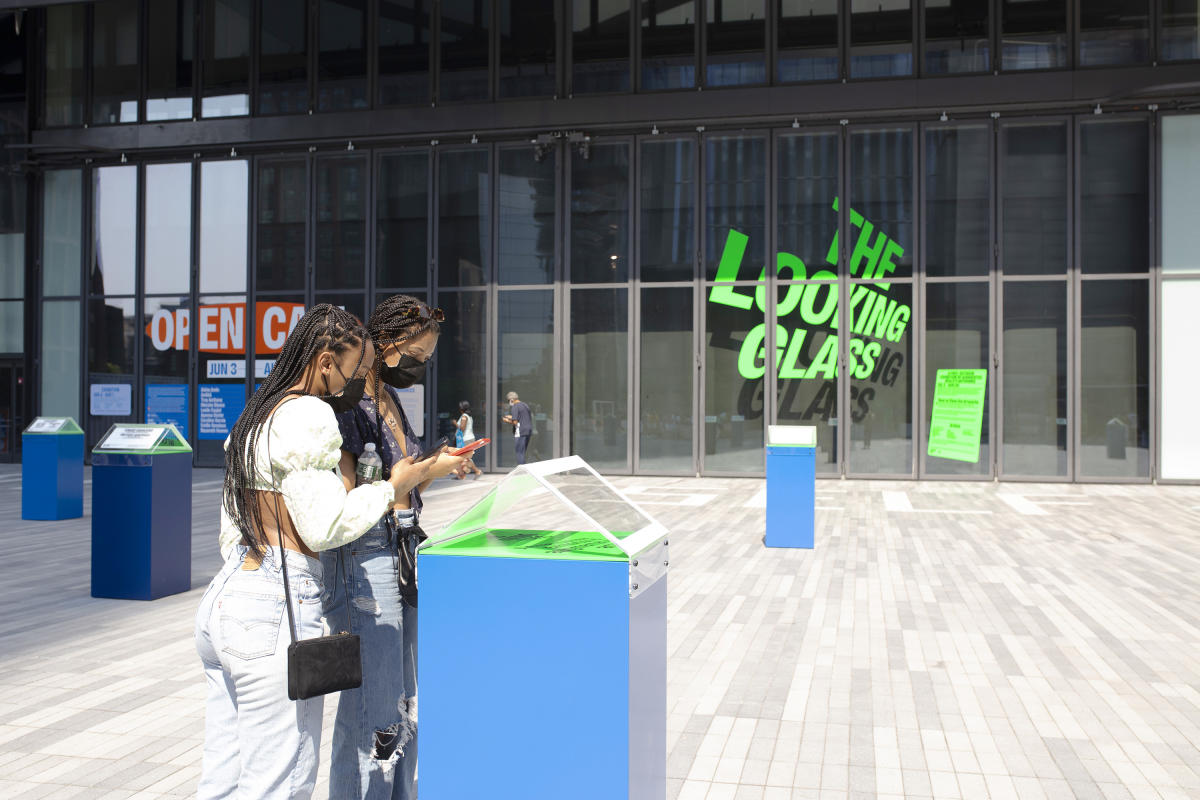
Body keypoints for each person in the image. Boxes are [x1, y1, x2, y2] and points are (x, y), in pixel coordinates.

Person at [194, 305, 433, 800]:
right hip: (274, 607)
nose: (355, 381)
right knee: (280, 783)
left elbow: (229, 521)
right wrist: (392, 487)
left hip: (227, 596)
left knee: (224, 778)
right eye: (353, 369)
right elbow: (325, 526)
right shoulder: (308, 413)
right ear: (326, 362)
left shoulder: (259, 411)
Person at [322, 295, 467, 800]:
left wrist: (435, 466)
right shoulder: (350, 404)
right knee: (375, 710)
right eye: (417, 355)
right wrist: (428, 469)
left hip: (401, 548)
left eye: (428, 358)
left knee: (403, 701)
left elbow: (403, 484)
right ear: (387, 346)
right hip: (368, 557)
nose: (420, 366)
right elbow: (355, 498)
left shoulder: (389, 397)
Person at [453, 400, 483, 479]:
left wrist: (455, 423)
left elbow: (462, 428)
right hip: (469, 438)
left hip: (465, 439)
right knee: (463, 458)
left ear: (461, 408)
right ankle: (461, 474)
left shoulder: (464, 416)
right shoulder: (469, 416)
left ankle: (477, 471)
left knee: (464, 458)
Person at [502, 391, 534, 465]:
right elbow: (523, 417)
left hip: (520, 431)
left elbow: (515, 422)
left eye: (508, 400)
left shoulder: (515, 406)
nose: (509, 402)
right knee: (523, 452)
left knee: (519, 452)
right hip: (528, 431)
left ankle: (522, 472)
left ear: (512, 399)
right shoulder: (525, 405)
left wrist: (506, 420)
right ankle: (525, 470)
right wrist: (511, 417)